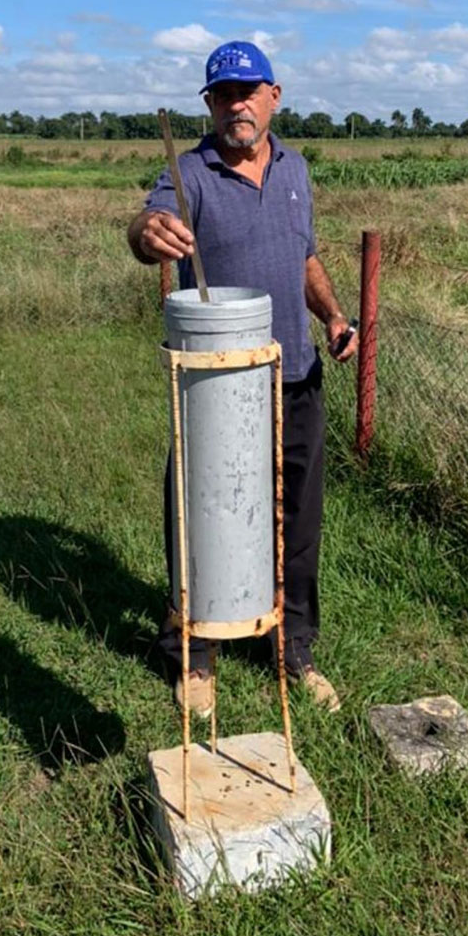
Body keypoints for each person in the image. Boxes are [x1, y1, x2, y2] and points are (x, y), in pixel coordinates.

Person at [128, 40, 357, 716]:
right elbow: (146, 225)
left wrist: (335, 316)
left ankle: (295, 650)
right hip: (220, 386)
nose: (237, 105)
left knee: (298, 521)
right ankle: (193, 657)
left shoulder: (296, 169)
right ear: (210, 104)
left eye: (248, 91)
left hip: (297, 375)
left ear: (274, 96)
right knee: (200, 518)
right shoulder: (191, 173)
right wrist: (150, 233)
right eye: (224, 95)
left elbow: (304, 257)